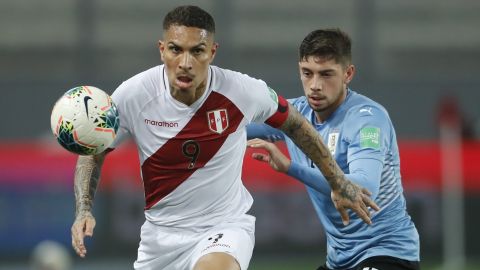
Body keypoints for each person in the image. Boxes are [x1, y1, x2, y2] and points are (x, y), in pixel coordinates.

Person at [70, 7, 378, 270]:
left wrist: (338, 181)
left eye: (197, 51)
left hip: (223, 227)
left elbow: (296, 124)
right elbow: (93, 150)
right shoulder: (133, 95)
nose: (186, 62)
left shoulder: (241, 91)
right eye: (176, 49)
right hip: (159, 239)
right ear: (162, 49)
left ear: (212, 53)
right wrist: (84, 209)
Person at [247, 28, 420, 270]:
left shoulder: (367, 120)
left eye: (326, 74)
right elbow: (232, 128)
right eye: (307, 73)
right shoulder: (295, 116)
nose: (315, 85)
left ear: (348, 73)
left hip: (386, 253)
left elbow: (364, 187)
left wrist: (289, 167)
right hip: (339, 261)